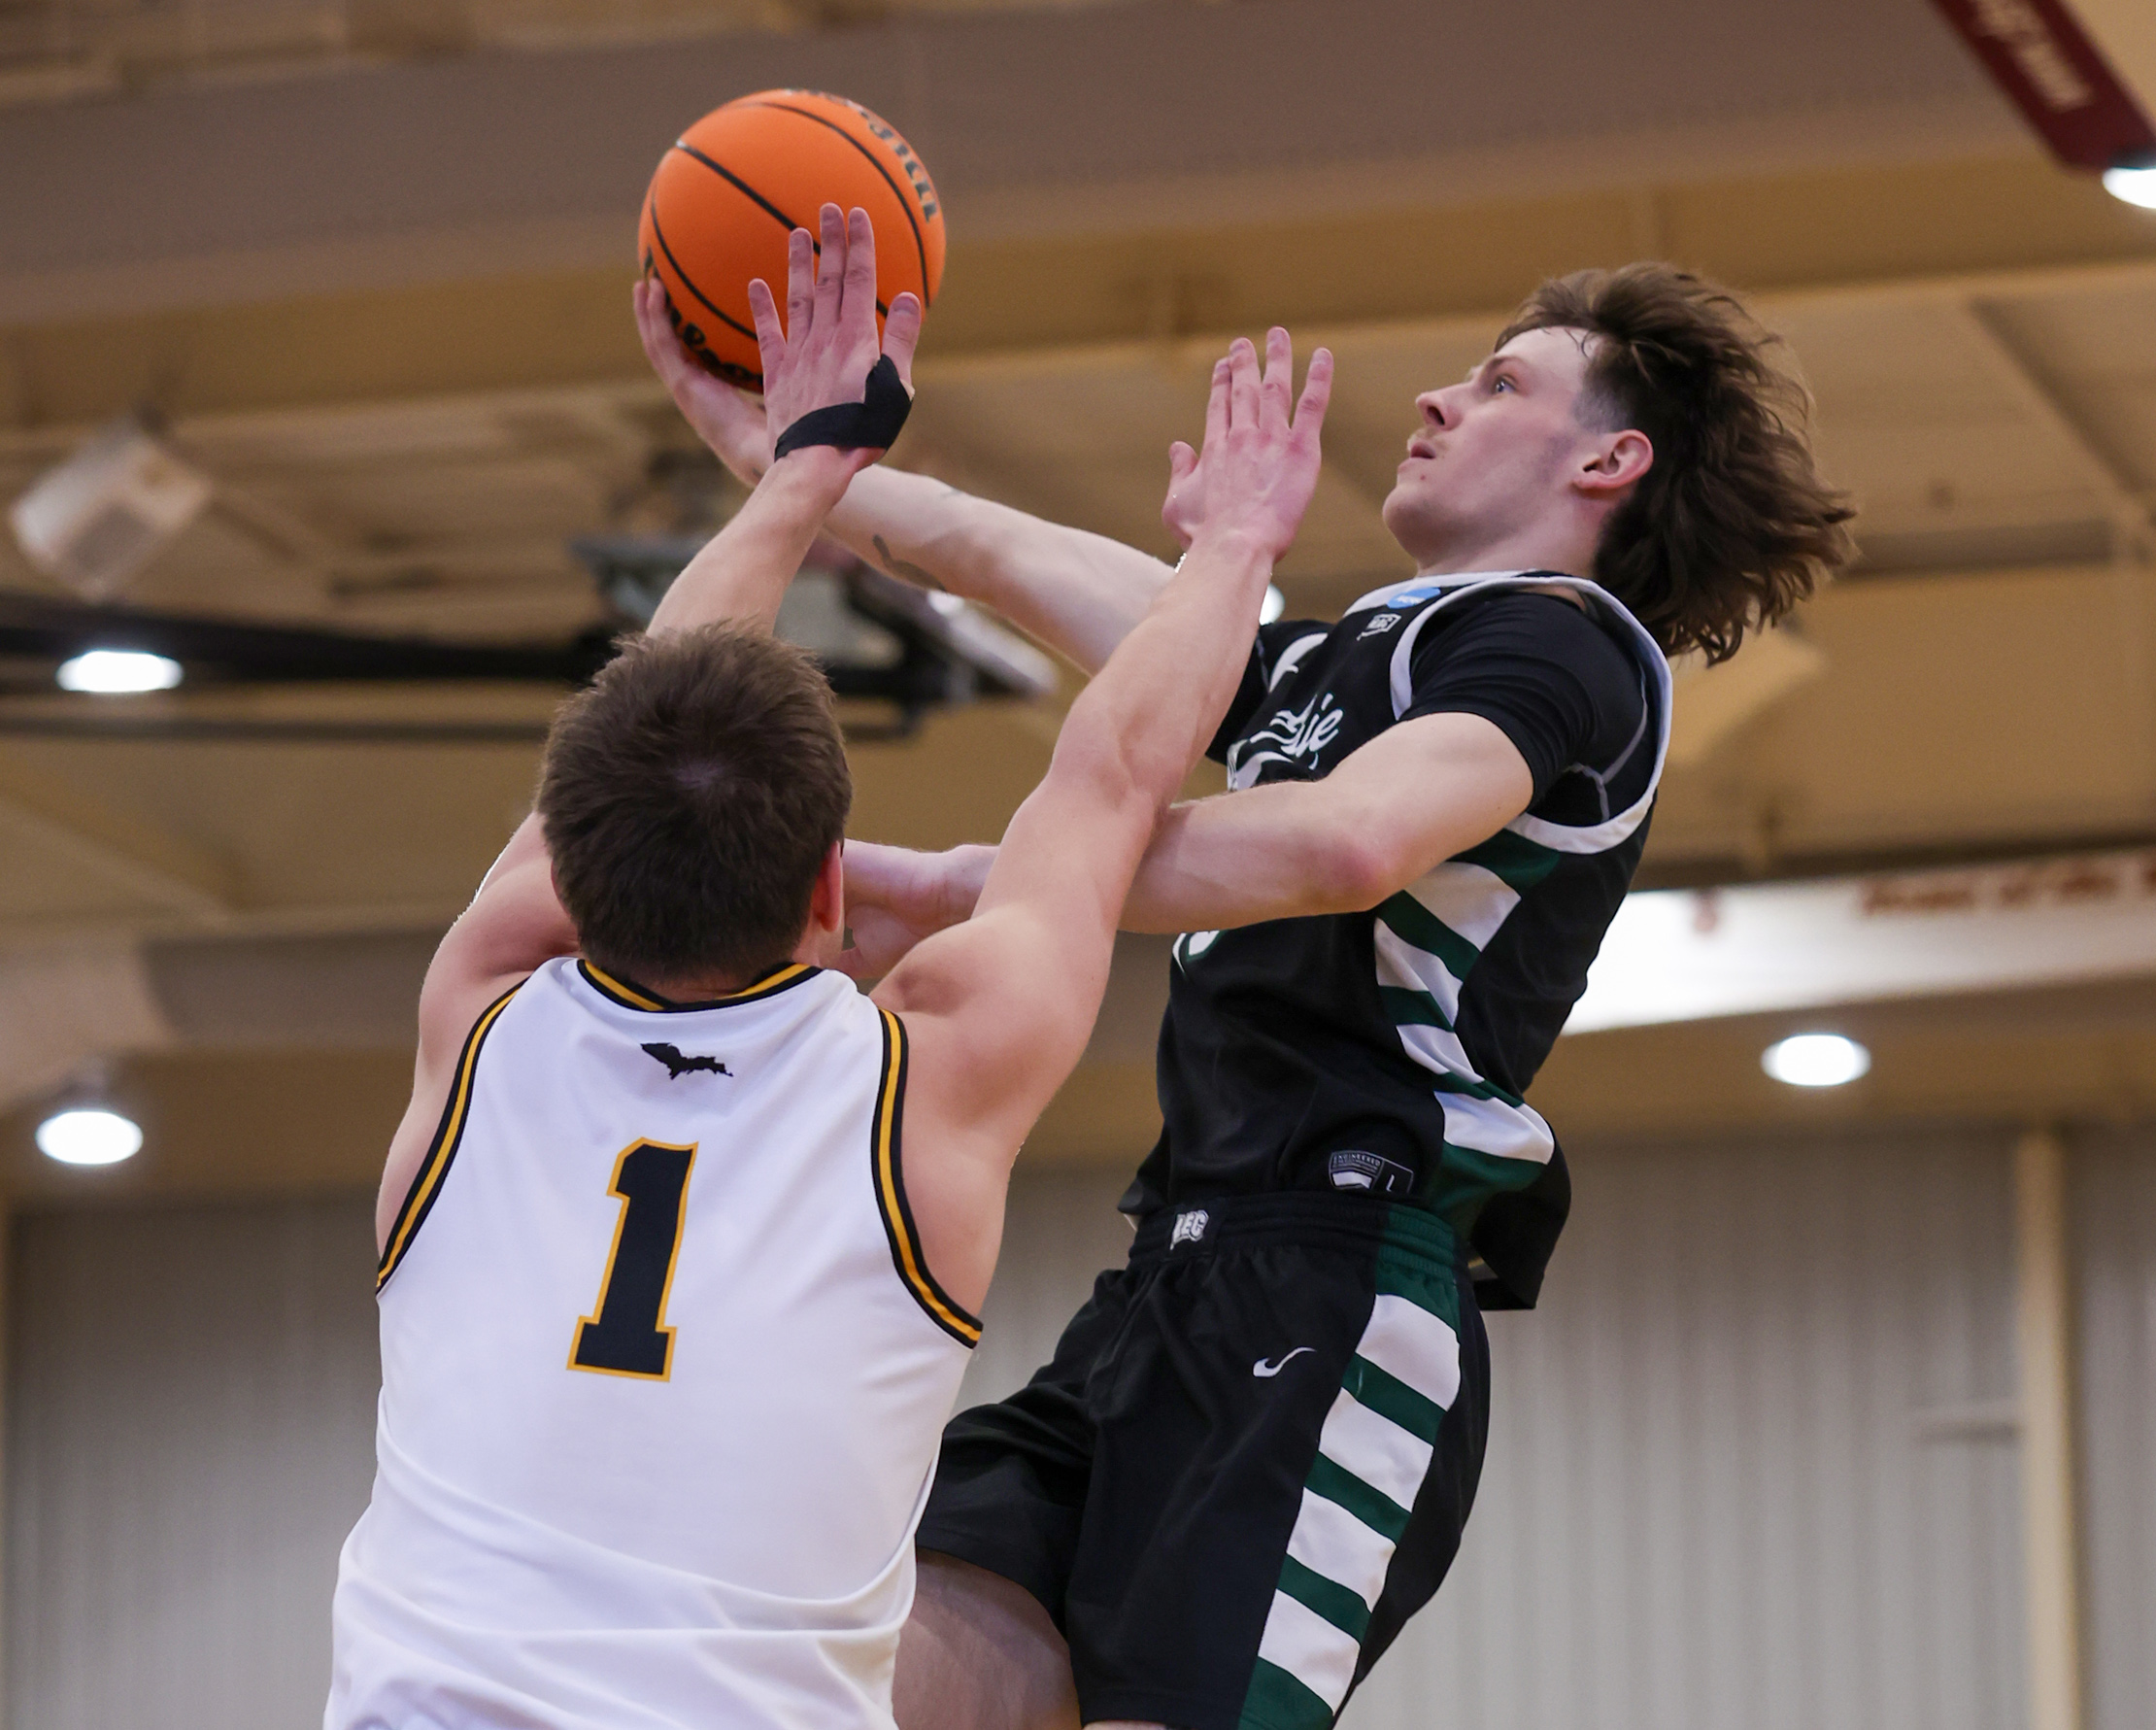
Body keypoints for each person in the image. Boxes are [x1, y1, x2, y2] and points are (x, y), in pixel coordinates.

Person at [648, 263, 1855, 1730]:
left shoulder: (1566, 643)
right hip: (1171, 1277)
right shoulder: (1335, 661)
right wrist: (791, 455)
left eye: (1501, 383)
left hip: (1340, 1285)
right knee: (875, 1672)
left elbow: (1345, 840)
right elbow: (984, 550)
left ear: (1609, 461)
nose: (1439, 396)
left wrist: (980, 880)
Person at [322, 202, 1333, 1730]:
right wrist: (1235, 547)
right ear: (828, 884)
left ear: (571, 869)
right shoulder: (922, 1072)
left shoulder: (482, 1014)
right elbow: (1111, 778)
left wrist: (799, 472)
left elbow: (620, 743)